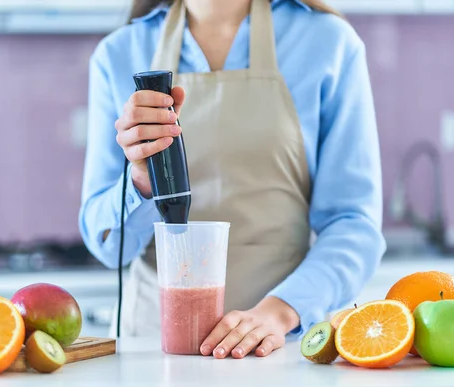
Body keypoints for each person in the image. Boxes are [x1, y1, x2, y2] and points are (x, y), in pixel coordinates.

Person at [79, 0, 386, 359]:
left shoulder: (327, 43)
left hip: (280, 350)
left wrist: (279, 312)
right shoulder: (119, 53)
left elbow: (354, 225)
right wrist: (142, 182)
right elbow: (106, 245)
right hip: (154, 354)